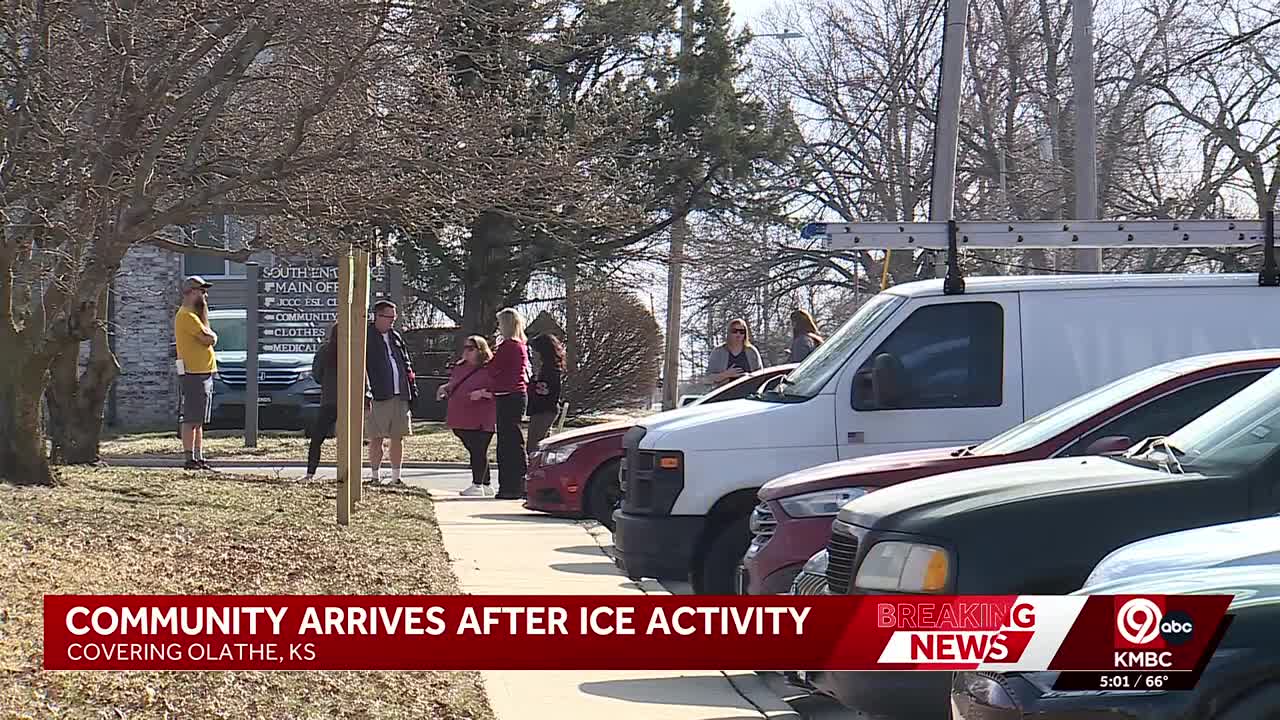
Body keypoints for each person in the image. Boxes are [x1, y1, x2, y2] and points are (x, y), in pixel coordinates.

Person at [365, 300, 418, 485]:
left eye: (394, 318)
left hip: (400, 394)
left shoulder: (395, 336)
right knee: (376, 437)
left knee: (398, 436)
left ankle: (396, 478)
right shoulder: (367, 336)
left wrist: (411, 388)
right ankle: (375, 477)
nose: (392, 321)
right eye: (389, 317)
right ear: (377, 316)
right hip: (379, 395)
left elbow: (406, 363)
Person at [437, 335, 497, 496]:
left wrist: (483, 393)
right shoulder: (460, 366)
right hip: (460, 415)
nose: (466, 351)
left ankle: (477, 485)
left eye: (471, 348)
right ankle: (486, 484)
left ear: (481, 350)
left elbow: (498, 390)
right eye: (465, 347)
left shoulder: (490, 368)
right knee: (475, 450)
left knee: (478, 449)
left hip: (482, 417)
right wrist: (445, 388)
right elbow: (455, 382)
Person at [174, 276, 218, 471]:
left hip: (204, 372)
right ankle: (189, 458)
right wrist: (213, 335)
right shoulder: (187, 316)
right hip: (193, 373)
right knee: (191, 418)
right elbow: (208, 339)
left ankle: (199, 457)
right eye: (202, 291)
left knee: (199, 420)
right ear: (191, 292)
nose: (205, 295)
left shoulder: (195, 316)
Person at [490, 308, 529, 499]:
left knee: (508, 443)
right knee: (513, 439)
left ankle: (510, 486)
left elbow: (494, 368)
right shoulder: (520, 345)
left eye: (500, 323)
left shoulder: (508, 346)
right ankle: (519, 483)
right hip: (516, 395)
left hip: (508, 395)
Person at [303, 323, 340, 482]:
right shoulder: (354, 350)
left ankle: (310, 473)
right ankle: (350, 473)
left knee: (317, 438)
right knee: (350, 439)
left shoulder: (325, 350)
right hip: (350, 399)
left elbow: (317, 375)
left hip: (330, 399)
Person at [526, 333, 565, 454]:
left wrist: (532, 384)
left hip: (545, 410)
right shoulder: (545, 368)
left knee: (534, 446)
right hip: (542, 409)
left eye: (535, 351)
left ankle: (537, 464)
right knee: (542, 444)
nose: (532, 355)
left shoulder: (550, 370)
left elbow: (546, 391)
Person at [706, 318, 763, 387]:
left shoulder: (752, 351)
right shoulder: (718, 351)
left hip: (749, 391)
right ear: (729, 333)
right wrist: (726, 375)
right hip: (725, 391)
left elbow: (760, 376)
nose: (738, 334)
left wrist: (747, 377)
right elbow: (708, 379)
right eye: (734, 331)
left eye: (742, 332)